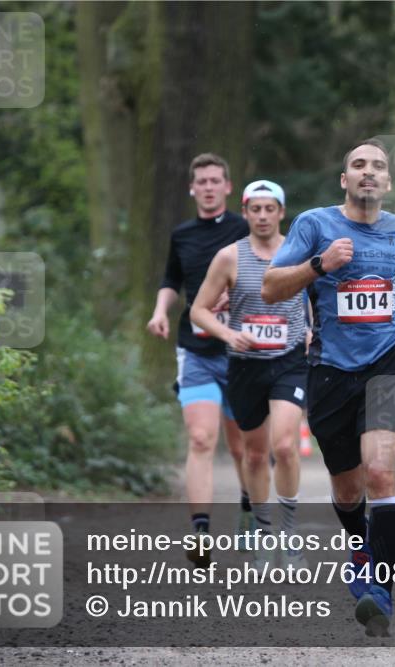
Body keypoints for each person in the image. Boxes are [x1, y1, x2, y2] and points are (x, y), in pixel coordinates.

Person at [262, 138, 395, 637]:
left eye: (377, 166)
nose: (368, 172)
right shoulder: (315, 225)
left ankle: (381, 591)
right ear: (344, 179)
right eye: (358, 165)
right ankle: (359, 543)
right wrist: (320, 265)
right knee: (347, 487)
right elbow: (271, 287)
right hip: (330, 371)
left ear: (388, 182)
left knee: (381, 473)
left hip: (389, 363)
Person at [190, 179, 309, 571]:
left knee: (286, 445)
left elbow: (319, 293)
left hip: (289, 360)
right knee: (255, 455)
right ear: (245, 213)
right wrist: (228, 333)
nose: (261, 216)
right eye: (254, 209)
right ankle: (262, 535)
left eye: (269, 208)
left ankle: (290, 539)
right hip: (245, 365)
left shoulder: (298, 250)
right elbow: (199, 310)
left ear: (280, 212)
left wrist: (313, 329)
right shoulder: (229, 257)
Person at [145, 153, 252, 566]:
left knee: (242, 445)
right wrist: (160, 311)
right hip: (196, 350)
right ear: (193, 189)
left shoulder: (246, 230)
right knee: (202, 438)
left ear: (227, 187)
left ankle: (248, 507)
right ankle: (201, 530)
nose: (208, 187)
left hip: (241, 349)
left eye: (215, 181)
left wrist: (235, 296)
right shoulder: (182, 235)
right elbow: (172, 280)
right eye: (201, 181)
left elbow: (269, 278)